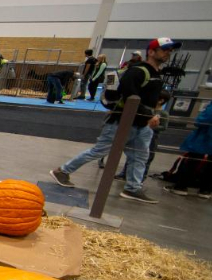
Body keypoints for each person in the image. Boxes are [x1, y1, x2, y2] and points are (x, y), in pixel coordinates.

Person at [50, 37, 182, 204]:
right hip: (122, 121)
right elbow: (130, 96)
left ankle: (133, 188)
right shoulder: (138, 71)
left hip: (142, 124)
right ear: (151, 51)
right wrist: (149, 115)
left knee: (140, 155)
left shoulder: (156, 74)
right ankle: (63, 171)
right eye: (165, 50)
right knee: (100, 150)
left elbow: (148, 99)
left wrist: (152, 114)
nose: (168, 53)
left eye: (170, 51)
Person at [116, 90, 170, 181]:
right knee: (132, 154)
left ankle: (141, 177)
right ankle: (124, 174)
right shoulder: (148, 110)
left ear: (161, 100)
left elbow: (164, 127)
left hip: (152, 137)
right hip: (139, 134)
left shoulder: (163, 114)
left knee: (146, 157)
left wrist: (150, 126)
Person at [163, 102, 212, 198]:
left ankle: (181, 187)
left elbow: (203, 119)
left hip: (205, 137)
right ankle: (206, 190)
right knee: (211, 165)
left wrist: (199, 118)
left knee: (192, 161)